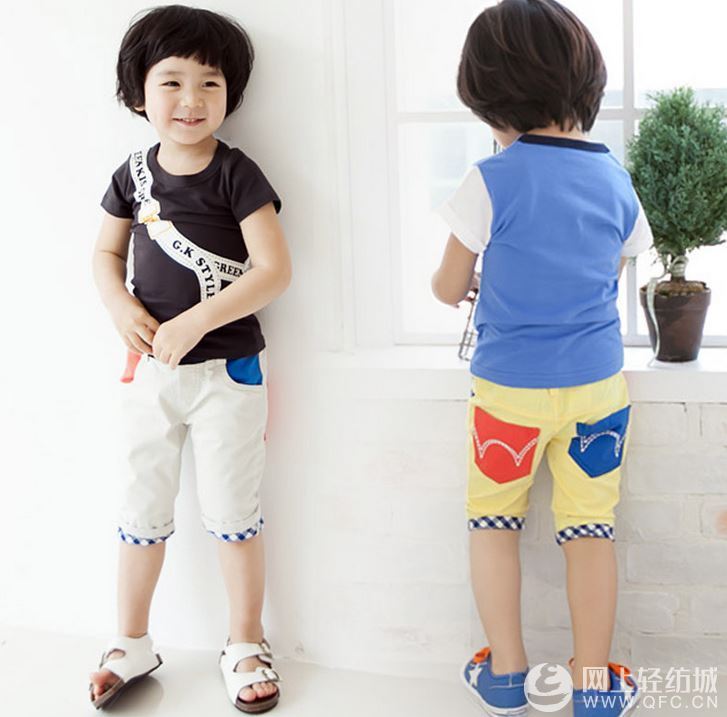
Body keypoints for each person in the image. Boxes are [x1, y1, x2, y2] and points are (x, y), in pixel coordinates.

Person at [432, 2, 652, 715]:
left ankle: (504, 674)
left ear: (489, 94)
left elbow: (446, 287)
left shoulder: (489, 179)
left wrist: (477, 278)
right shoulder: (615, 179)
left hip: (508, 394)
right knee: (589, 530)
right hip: (597, 389)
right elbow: (611, 269)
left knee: (493, 525)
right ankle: (593, 684)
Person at [89, 6, 291, 713]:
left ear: (231, 94)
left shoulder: (237, 174)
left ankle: (245, 643)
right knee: (141, 505)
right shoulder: (131, 175)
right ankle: (131, 641)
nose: (191, 99)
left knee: (234, 511)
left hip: (229, 376)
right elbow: (105, 253)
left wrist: (197, 321)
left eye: (210, 83)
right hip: (149, 374)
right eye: (171, 81)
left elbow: (273, 270)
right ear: (137, 92)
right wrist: (121, 308)